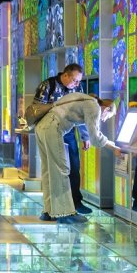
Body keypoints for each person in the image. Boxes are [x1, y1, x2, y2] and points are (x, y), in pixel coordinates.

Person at [36, 93, 121, 223]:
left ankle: (49, 211)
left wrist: (84, 138)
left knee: (48, 170)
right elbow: (95, 138)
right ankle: (65, 213)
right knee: (61, 169)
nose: (104, 120)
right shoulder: (94, 106)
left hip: (41, 127)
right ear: (106, 109)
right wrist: (113, 146)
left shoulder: (85, 99)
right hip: (53, 128)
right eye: (108, 116)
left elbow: (84, 126)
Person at [33, 63, 92, 215]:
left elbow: (82, 113)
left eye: (79, 81)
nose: (77, 84)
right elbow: (36, 110)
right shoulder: (47, 86)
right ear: (65, 75)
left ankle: (76, 202)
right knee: (54, 169)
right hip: (49, 130)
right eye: (74, 80)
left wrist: (85, 136)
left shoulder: (77, 89)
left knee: (74, 167)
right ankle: (55, 208)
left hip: (69, 131)